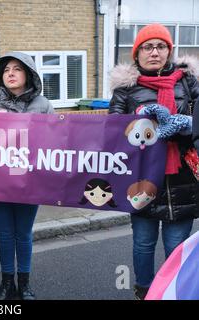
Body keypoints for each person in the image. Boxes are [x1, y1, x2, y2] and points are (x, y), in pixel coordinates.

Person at [108, 23, 199, 300]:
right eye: (147, 47)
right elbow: (112, 136)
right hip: (142, 180)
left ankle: (174, 293)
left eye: (161, 46)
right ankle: (144, 291)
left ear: (169, 51)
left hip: (182, 181)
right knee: (143, 244)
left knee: (176, 247)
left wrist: (185, 125)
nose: (155, 52)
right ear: (137, 54)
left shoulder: (189, 82)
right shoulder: (125, 90)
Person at [0, 52, 54, 300]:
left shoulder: (43, 105)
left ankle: (24, 284)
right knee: (5, 234)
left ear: (29, 74)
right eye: (6, 70)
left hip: (30, 182)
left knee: (23, 234)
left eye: (17, 69)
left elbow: (58, 139)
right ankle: (7, 284)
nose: (11, 74)